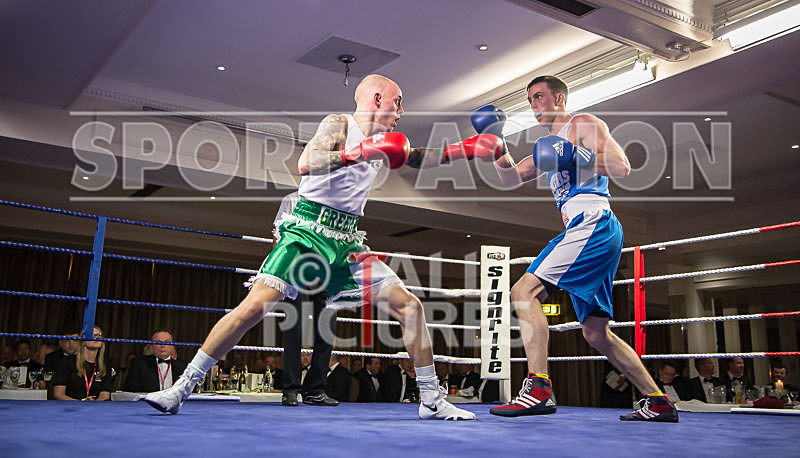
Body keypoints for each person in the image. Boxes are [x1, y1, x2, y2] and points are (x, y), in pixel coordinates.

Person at [143, 74, 503, 420]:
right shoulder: (340, 124)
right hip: (306, 230)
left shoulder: (387, 139)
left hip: (346, 240)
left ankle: (432, 399)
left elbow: (418, 156)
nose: (401, 110)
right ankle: (180, 389)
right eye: (398, 101)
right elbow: (307, 163)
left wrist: (468, 149)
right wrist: (358, 152)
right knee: (253, 308)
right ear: (378, 98)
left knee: (410, 306)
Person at [483, 75, 677, 422]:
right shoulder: (547, 145)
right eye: (529, 100)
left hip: (594, 220)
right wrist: (495, 145)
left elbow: (622, 166)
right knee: (595, 332)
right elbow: (510, 177)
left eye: (539, 96)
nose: (534, 105)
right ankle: (658, 401)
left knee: (522, 292)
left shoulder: (583, 124)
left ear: (559, 99)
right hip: (586, 227)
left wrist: (573, 154)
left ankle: (538, 388)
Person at [274, 192, 340, 407]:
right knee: (295, 330)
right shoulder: (294, 198)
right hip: (297, 269)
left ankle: (315, 390)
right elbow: (279, 234)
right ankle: (291, 390)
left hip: (327, 272)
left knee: (326, 332)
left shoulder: (336, 202)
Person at [53, 326, 112, 401]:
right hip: (71, 408)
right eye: (92, 335)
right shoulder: (67, 362)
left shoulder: (104, 364)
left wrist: (94, 405)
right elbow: (58, 394)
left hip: (96, 409)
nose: (96, 337)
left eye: (99, 335)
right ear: (83, 341)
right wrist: (81, 403)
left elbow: (105, 395)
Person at [124, 330, 188, 393]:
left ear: (172, 346)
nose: (163, 346)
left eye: (167, 342)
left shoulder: (183, 367)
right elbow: (129, 392)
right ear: (151, 347)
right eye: (158, 342)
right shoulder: (139, 364)